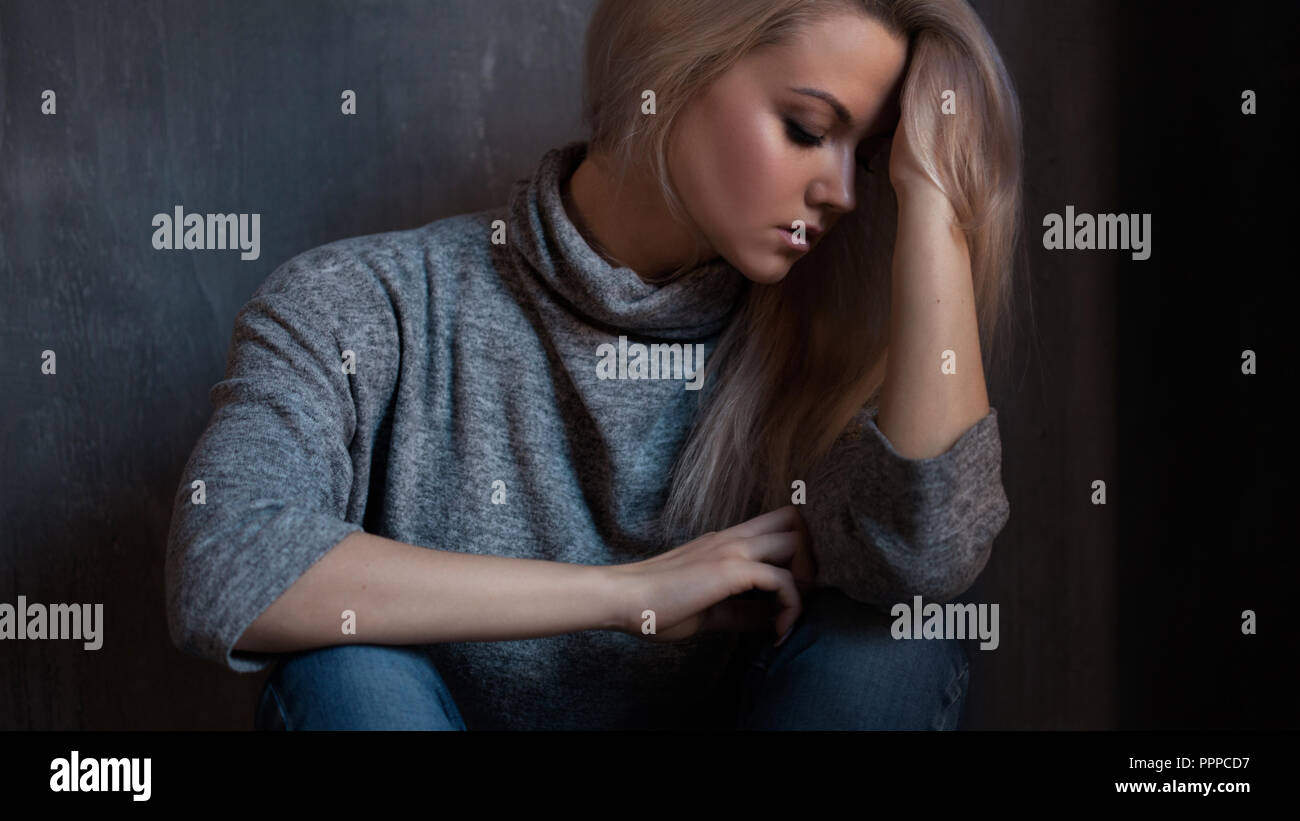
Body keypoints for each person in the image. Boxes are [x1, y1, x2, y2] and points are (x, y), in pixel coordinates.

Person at [165, 0, 1021, 731]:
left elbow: (925, 557)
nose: (842, 191)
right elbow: (228, 561)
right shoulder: (368, 300)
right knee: (343, 674)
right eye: (806, 128)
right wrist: (626, 593)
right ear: (674, 70)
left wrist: (937, 194)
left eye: (866, 156)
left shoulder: (830, 350)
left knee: (891, 641)